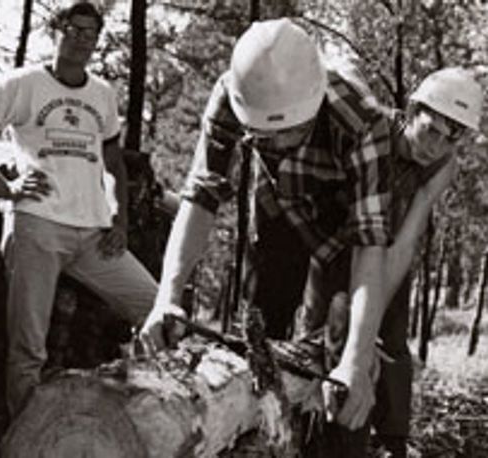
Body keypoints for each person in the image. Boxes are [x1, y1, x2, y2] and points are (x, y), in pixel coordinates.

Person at [139, 17, 395, 438]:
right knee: (259, 337)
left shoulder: (361, 119)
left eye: (289, 135)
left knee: (352, 358)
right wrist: (167, 297)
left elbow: (370, 243)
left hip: (345, 227)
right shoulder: (232, 93)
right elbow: (201, 197)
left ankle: (352, 441)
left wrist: (354, 356)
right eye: (262, 137)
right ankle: (258, 435)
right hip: (277, 211)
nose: (274, 147)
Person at [0, 0, 157, 417]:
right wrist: (5, 189)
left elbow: (114, 163)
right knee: (28, 347)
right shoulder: (24, 83)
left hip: (93, 234)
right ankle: (27, 439)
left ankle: (146, 418)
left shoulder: (102, 94)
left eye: (91, 33)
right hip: (37, 227)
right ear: (57, 32)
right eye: (74, 29)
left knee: (157, 308)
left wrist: (119, 219)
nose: (82, 39)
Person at [296, 67, 483, 457]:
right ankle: (308, 436)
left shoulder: (440, 166)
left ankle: (386, 443)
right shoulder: (371, 130)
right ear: (413, 109)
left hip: (389, 257)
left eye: (451, 139)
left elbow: (405, 242)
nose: (435, 146)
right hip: (336, 247)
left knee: (386, 347)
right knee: (320, 342)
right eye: (431, 129)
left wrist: (370, 326)